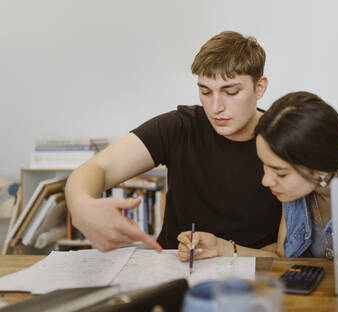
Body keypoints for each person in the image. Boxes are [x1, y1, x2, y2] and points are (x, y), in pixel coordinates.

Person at [65, 31, 282, 252]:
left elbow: (286, 253)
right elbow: (97, 168)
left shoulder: (284, 140)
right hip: (175, 269)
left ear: (260, 87)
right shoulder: (179, 127)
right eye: (205, 92)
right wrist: (83, 207)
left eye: (231, 92)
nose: (216, 107)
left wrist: (228, 251)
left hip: (253, 276)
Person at [177, 91, 338, 260]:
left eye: (280, 172)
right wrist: (221, 247)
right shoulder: (300, 191)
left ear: (318, 168)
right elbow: (282, 258)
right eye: (264, 165)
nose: (266, 181)